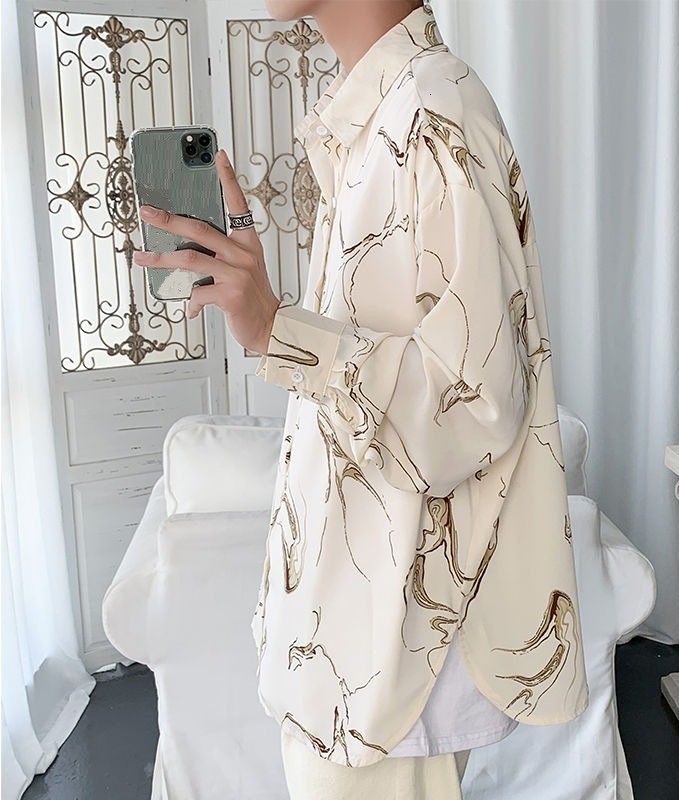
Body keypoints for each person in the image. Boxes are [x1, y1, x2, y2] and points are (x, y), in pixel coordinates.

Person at [132, 1, 590, 797]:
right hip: (353, 644)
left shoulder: (433, 112)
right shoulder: (383, 116)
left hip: (392, 663)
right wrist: (272, 322)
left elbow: (475, 407)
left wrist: (279, 329)